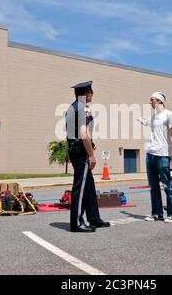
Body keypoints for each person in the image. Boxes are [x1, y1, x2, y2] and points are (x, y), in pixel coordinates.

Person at [65, 81, 110, 232]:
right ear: (86, 93)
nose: (93, 94)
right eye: (91, 92)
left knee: (89, 185)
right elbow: (83, 133)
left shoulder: (72, 107)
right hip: (80, 151)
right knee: (80, 187)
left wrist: (90, 143)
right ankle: (76, 223)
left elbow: (78, 132)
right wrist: (91, 154)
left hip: (75, 146)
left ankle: (94, 218)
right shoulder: (83, 107)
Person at [139, 92, 172, 223]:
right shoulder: (153, 117)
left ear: (159, 100)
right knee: (153, 186)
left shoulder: (169, 115)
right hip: (150, 153)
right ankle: (157, 213)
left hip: (163, 154)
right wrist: (141, 120)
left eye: (152, 99)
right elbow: (147, 122)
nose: (150, 102)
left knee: (167, 184)